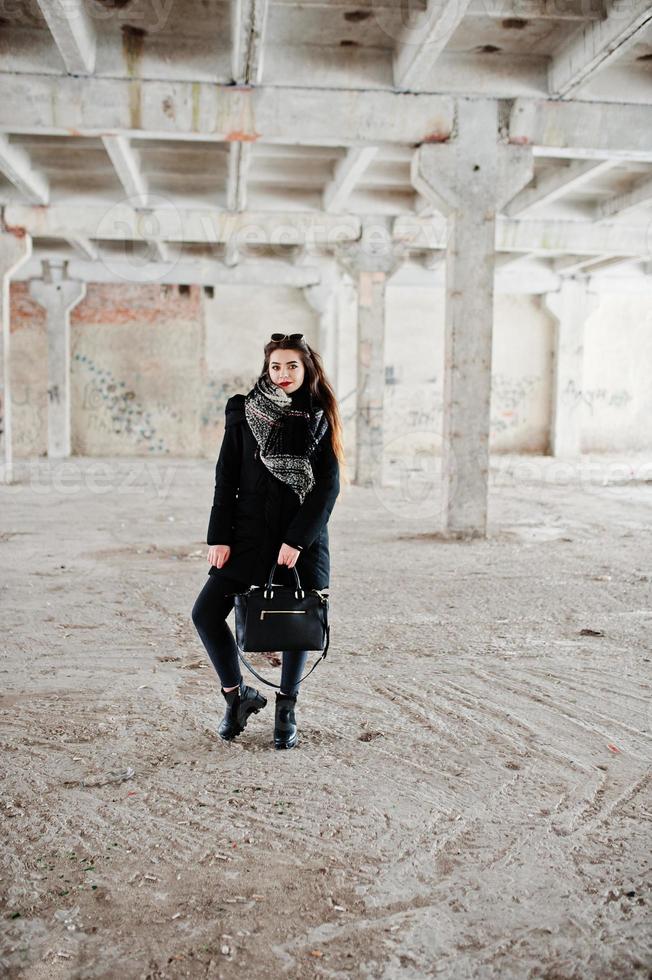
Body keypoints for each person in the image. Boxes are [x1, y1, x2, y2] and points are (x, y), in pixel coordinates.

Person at [191, 332, 346, 749]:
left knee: (295, 621)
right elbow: (226, 476)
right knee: (205, 613)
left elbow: (327, 489)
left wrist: (297, 541)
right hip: (247, 536)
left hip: (300, 540)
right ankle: (236, 695)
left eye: (292, 366)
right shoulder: (243, 411)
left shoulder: (318, 416)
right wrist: (219, 536)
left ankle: (286, 708)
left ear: (306, 368)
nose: (282, 374)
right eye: (276, 366)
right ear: (267, 368)